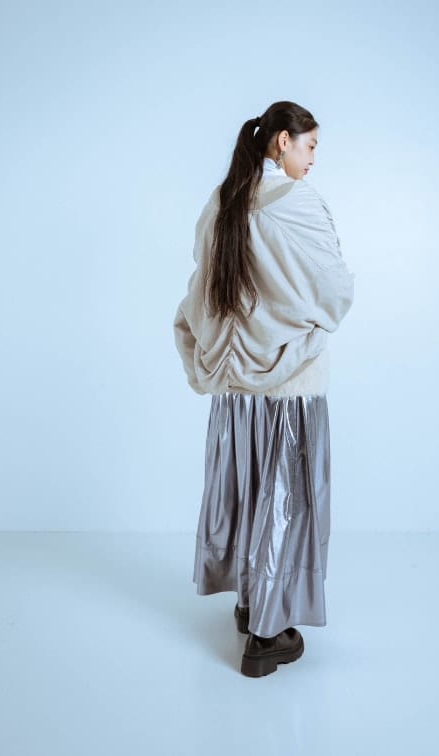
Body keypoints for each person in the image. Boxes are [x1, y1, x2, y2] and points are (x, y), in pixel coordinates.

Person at [173, 100, 355, 677]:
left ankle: (252, 601)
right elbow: (334, 290)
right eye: (310, 145)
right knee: (287, 502)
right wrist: (304, 321)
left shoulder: (224, 201)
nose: (314, 157)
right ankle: (267, 636)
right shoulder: (299, 203)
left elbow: (202, 286)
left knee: (251, 493)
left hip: (237, 391)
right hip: (290, 386)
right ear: (282, 141)